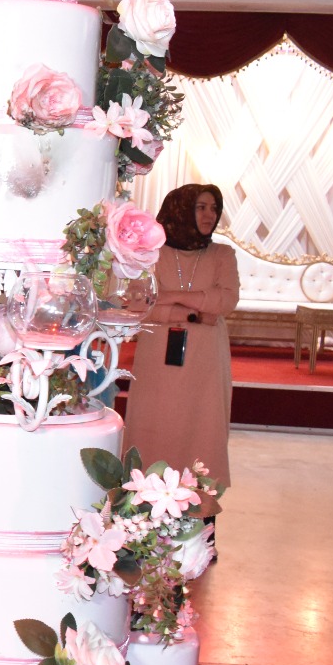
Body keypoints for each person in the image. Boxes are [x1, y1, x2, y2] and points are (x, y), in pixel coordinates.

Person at [122, 183, 239, 488]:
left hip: (205, 360)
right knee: (155, 423)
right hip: (157, 358)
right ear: (181, 209)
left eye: (214, 208)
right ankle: (145, 500)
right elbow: (138, 304)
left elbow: (226, 301)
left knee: (203, 426)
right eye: (201, 207)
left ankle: (199, 504)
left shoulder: (222, 254)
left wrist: (167, 297)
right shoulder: (151, 255)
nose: (209, 215)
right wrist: (192, 313)